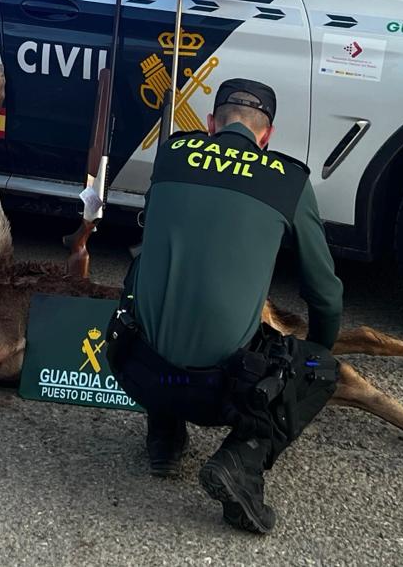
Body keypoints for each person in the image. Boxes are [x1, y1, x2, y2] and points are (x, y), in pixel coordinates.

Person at [106, 78, 344, 535]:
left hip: (137, 368)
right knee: (322, 366)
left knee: (153, 289)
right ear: (267, 136)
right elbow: (326, 295)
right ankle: (242, 460)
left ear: (212, 124)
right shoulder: (288, 180)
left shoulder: (172, 156)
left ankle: (164, 434)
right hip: (221, 390)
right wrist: (312, 360)